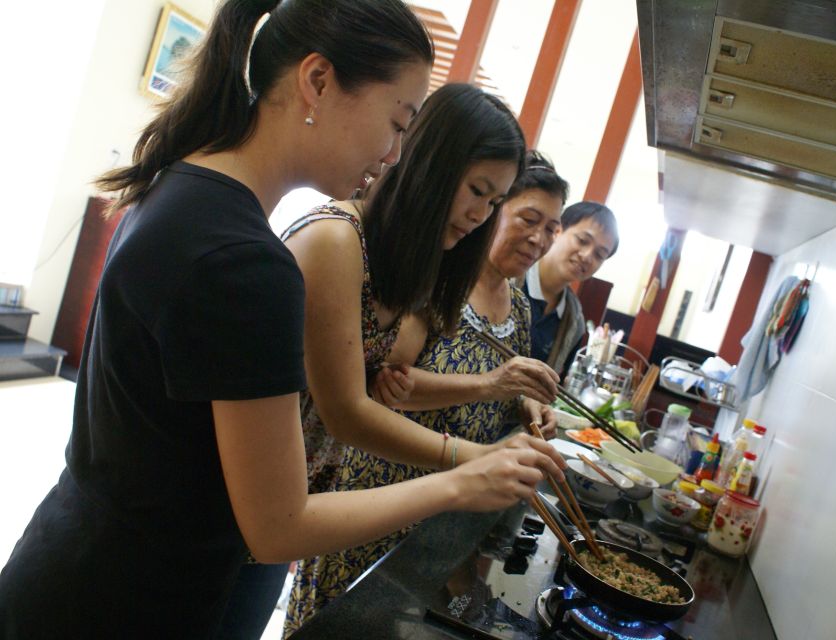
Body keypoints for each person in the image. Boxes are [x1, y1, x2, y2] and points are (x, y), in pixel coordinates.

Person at [0, 3, 562, 638]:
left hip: (80, 561)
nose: (396, 152)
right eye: (398, 123)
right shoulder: (249, 261)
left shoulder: (184, 186)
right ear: (317, 81)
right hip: (124, 600)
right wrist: (464, 480)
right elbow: (277, 527)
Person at [283, 152, 570, 629]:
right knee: (338, 624)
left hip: (447, 509)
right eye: (528, 219)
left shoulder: (519, 306)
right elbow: (390, 384)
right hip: (382, 490)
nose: (538, 239)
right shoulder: (442, 276)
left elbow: (499, 389)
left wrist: (524, 403)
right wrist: (490, 385)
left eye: (551, 229)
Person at [517, 201, 619, 377]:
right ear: (557, 230)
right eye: (582, 241)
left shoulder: (574, 321)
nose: (587, 256)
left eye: (599, 255)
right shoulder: (511, 276)